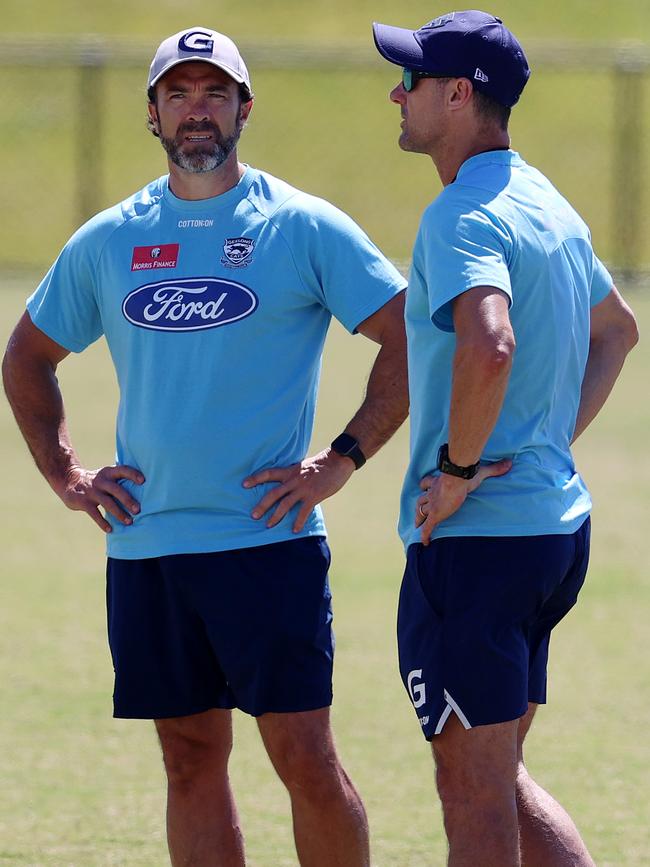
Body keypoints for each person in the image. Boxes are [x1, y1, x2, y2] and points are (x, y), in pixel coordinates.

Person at [2, 27, 410, 867]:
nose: (198, 110)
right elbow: (27, 356)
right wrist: (68, 476)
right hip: (149, 545)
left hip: (267, 542)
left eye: (215, 92)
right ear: (152, 114)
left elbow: (408, 336)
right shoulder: (111, 238)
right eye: (179, 93)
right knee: (190, 760)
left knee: (304, 758)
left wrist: (342, 457)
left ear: (244, 109)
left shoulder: (299, 226)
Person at [373, 10, 638, 867]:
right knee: (499, 775)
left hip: (480, 546)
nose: (397, 93)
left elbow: (490, 343)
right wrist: (545, 442)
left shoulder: (462, 213)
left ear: (458, 94)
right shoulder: (546, 201)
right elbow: (619, 330)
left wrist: (456, 468)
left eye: (411, 80)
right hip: (552, 534)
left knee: (474, 794)